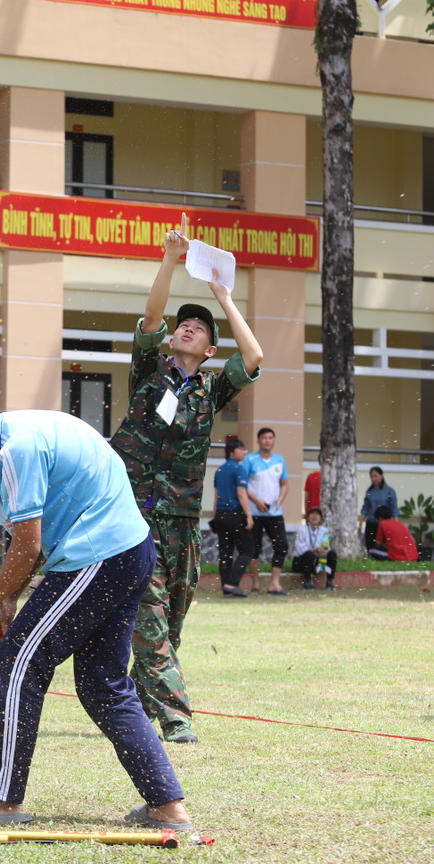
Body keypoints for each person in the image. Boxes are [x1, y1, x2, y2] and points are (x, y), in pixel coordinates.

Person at [0, 391, 191, 830]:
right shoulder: (10, 445)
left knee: (18, 661)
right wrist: (8, 597)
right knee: (103, 685)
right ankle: (167, 806)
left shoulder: (17, 449)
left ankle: (0, 799)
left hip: (98, 555)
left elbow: (28, 543)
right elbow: (30, 540)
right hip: (128, 551)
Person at [109, 223, 263, 745]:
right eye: (184, 325)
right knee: (149, 621)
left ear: (210, 348)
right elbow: (152, 317)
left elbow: (254, 357)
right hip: (135, 519)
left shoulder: (210, 391)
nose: (188, 329)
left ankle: (131, 704)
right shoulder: (149, 371)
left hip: (182, 524)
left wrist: (224, 297)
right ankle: (178, 719)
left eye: (199, 328)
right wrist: (171, 260)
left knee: (169, 625)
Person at [243, 427, 289, 596]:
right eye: (264, 437)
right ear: (258, 440)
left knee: (281, 546)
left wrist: (281, 498)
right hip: (254, 512)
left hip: (275, 513)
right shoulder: (250, 459)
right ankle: (255, 584)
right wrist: (256, 500)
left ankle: (274, 584)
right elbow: (242, 485)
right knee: (254, 548)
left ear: (274, 440)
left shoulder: (279, 460)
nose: (267, 440)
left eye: (270, 438)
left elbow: (284, 483)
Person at [212, 439, 254, 598]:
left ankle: (226, 589)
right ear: (232, 452)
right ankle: (232, 583)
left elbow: (216, 496)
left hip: (221, 514)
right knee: (248, 550)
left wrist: (215, 517)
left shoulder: (219, 470)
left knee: (225, 552)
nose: (244, 452)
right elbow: (241, 493)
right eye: (241, 449)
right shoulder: (238, 468)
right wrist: (249, 515)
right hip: (234, 513)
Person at [359, 467, 398, 553]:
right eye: (371, 476)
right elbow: (365, 508)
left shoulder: (389, 491)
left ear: (381, 476)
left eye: (375, 476)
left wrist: (396, 524)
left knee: (383, 546)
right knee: (370, 545)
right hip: (371, 522)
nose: (373, 479)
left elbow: (394, 509)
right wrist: (360, 524)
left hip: (385, 523)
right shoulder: (370, 491)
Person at [293, 507, 334, 590]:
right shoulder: (302, 530)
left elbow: (326, 546)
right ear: (308, 517)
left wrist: (324, 551)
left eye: (317, 514)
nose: (314, 516)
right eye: (312, 514)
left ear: (321, 519)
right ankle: (307, 582)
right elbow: (299, 549)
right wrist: (315, 550)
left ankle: (330, 581)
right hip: (301, 561)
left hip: (317, 559)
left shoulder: (324, 531)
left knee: (332, 554)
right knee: (310, 555)